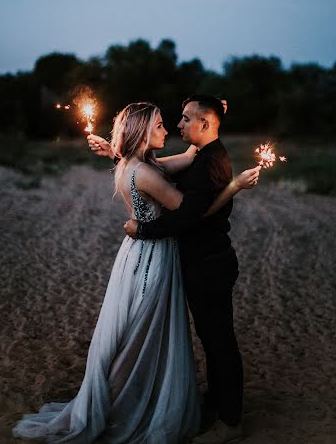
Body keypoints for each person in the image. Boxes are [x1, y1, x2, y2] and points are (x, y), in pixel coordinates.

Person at [13, 102, 258, 444]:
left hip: (152, 256)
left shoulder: (146, 163)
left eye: (182, 119)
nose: (170, 127)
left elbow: (183, 169)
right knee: (146, 334)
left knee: (178, 336)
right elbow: (188, 210)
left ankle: (213, 412)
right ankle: (137, 402)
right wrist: (233, 187)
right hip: (153, 260)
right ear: (143, 132)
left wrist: (116, 152)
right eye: (160, 124)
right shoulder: (145, 170)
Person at [89, 95, 261, 444]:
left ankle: (229, 420)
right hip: (186, 260)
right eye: (167, 123)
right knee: (207, 339)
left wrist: (233, 187)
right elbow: (161, 168)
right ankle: (216, 403)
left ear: (204, 124)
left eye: (183, 119)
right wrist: (118, 150)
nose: (176, 126)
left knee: (218, 342)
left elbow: (187, 216)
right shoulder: (193, 157)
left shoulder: (209, 162)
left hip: (207, 263)